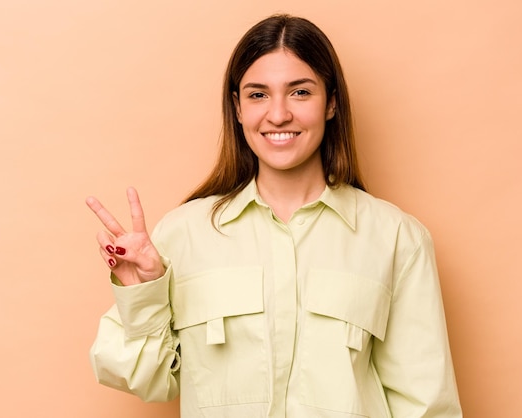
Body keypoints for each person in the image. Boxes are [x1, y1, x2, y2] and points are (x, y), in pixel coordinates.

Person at [86, 14, 462, 418]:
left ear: (332, 102)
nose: (279, 114)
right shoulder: (183, 235)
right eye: (258, 95)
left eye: (300, 92)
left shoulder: (397, 239)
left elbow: (426, 406)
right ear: (237, 107)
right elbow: (146, 379)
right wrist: (142, 294)